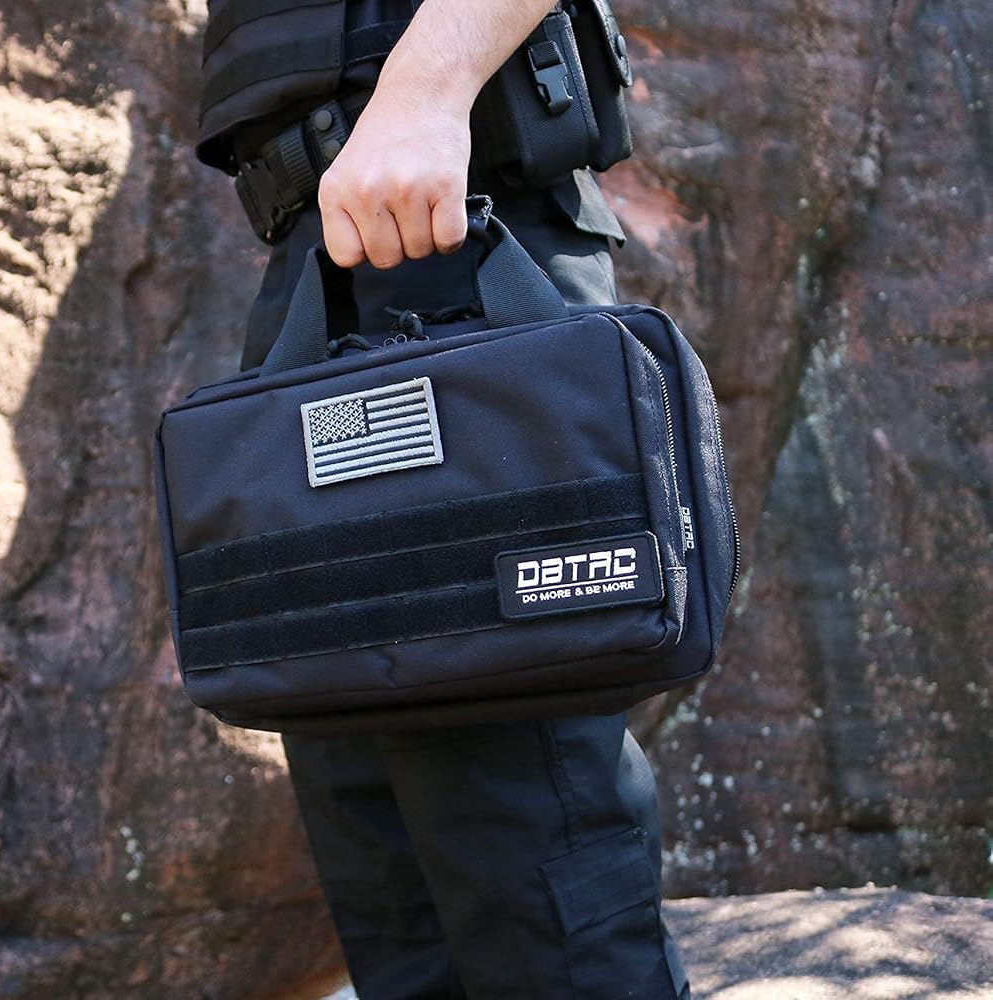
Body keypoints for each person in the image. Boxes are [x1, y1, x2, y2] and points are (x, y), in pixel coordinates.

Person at [195, 1, 692, 997]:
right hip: (319, 248)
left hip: (456, 205)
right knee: (383, 869)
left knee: (526, 851)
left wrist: (427, 89)